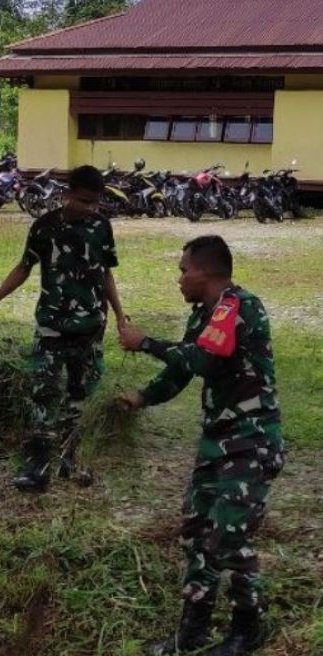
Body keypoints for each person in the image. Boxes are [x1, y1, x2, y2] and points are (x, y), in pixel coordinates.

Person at [118, 236, 284, 656]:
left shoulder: (238, 307)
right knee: (196, 534)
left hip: (251, 442)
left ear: (205, 272)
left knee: (229, 536)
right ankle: (192, 632)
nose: (178, 278)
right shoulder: (205, 315)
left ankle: (247, 631)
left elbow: (203, 361)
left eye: (183, 269)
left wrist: (146, 343)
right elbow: (183, 370)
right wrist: (142, 397)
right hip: (218, 444)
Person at [0, 164, 125, 492]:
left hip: (90, 326)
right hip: (52, 326)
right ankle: (37, 463)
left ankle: (69, 456)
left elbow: (106, 272)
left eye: (94, 203)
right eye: (82, 201)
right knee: (44, 391)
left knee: (80, 392)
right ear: (67, 195)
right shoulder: (45, 227)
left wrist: (121, 316)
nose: (88, 209)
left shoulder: (101, 227)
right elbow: (24, 267)